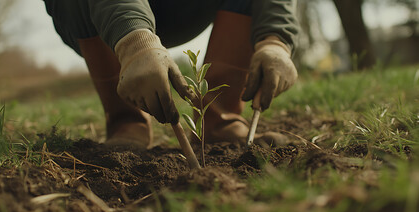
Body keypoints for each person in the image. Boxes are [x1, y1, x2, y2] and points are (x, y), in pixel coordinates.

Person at [43, 0, 299, 149]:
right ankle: (126, 120)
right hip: (95, 11)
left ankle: (221, 121)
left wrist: (276, 39)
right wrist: (134, 43)